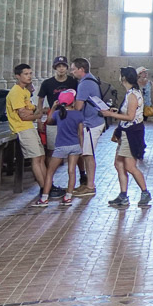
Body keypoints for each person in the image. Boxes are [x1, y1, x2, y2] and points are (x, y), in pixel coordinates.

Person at [102, 67, 150, 208]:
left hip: (131, 133)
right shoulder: (130, 93)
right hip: (126, 132)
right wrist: (116, 111)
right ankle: (123, 195)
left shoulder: (132, 95)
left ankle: (145, 192)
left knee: (130, 166)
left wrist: (110, 115)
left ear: (124, 78)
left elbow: (130, 117)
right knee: (119, 164)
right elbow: (127, 111)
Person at [10, 64, 51, 207]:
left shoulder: (24, 92)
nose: (29, 76)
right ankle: (43, 189)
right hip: (23, 129)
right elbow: (24, 116)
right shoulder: (15, 92)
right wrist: (38, 114)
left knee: (41, 157)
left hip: (30, 127)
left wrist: (35, 113)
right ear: (18, 76)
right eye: (26, 74)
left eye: (30, 73)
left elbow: (31, 110)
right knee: (35, 158)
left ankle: (48, 187)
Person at [42, 89, 85, 205]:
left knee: (50, 172)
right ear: (73, 101)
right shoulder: (78, 114)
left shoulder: (58, 114)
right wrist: (81, 148)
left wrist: (53, 107)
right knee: (71, 171)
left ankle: (44, 198)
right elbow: (80, 133)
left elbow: (49, 121)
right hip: (75, 145)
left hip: (61, 146)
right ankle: (68, 197)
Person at [71, 58, 105, 197]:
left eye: (73, 69)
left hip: (92, 123)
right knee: (86, 154)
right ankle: (88, 184)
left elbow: (78, 106)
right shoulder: (90, 80)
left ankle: (90, 186)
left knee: (88, 154)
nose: (72, 72)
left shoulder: (84, 84)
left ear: (81, 69)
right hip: (93, 121)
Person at [36, 55, 77, 166]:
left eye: (63, 66)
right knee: (51, 149)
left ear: (67, 68)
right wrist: (39, 119)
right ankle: (50, 179)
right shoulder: (47, 83)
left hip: (69, 117)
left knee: (72, 149)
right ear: (55, 68)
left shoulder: (73, 82)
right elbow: (40, 100)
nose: (61, 68)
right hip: (53, 117)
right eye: (58, 66)